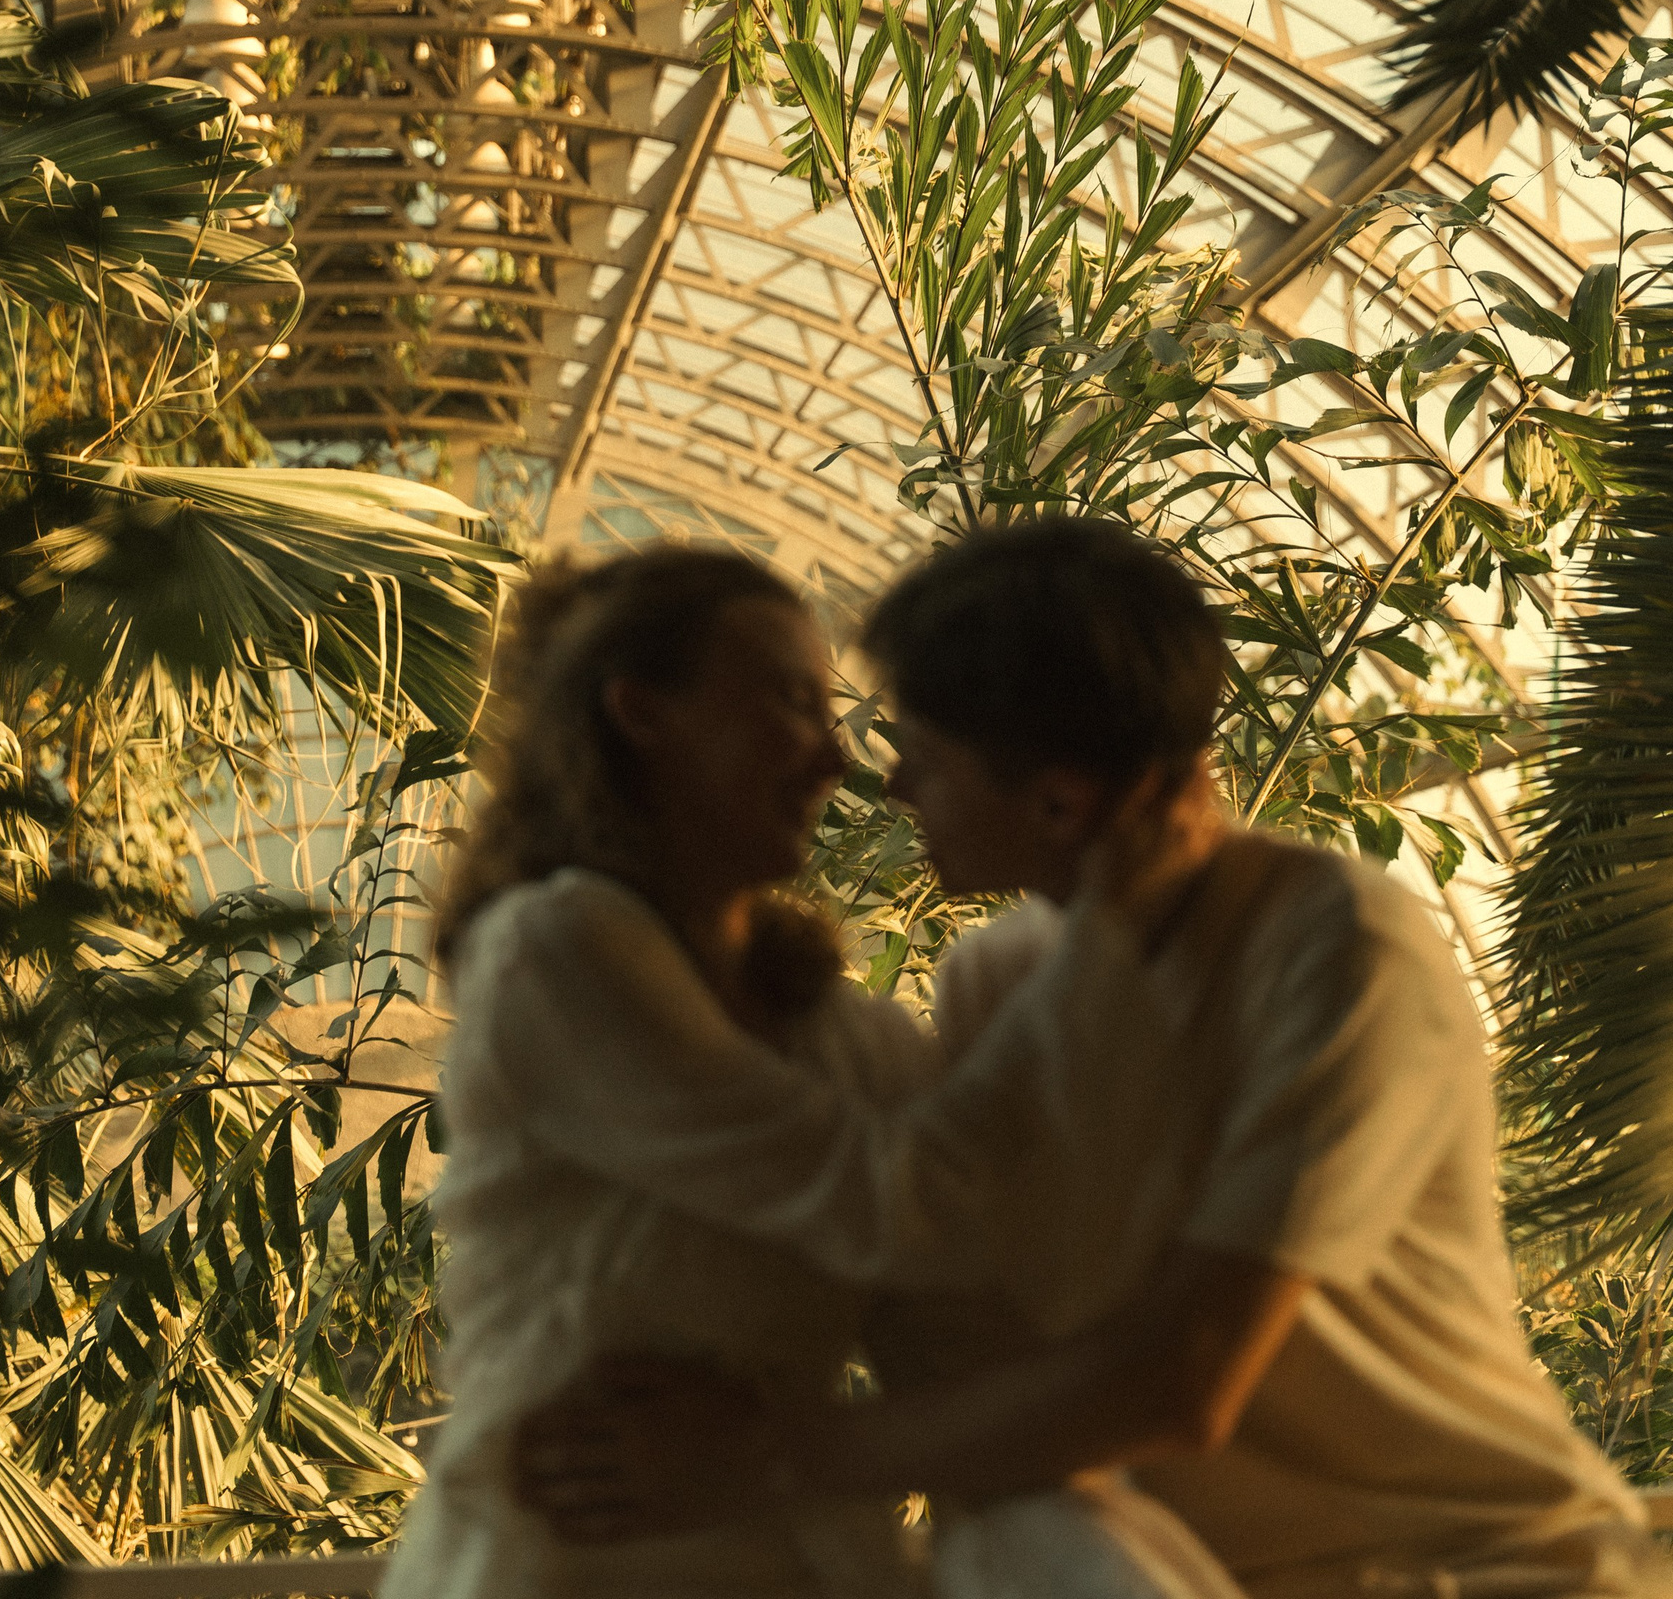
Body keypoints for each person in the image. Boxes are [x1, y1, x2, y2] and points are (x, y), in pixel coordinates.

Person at [517, 516, 1673, 1599]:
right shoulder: (997, 981)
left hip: (1478, 1571)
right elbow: (955, 1298)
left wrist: (764, 1457)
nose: (890, 782)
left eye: (924, 752)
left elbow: (1182, 1377)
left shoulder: (1336, 949)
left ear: (1059, 805)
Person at [383, 538, 1229, 1599]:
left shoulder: (847, 1038)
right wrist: (1104, 930)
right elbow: (881, 1200)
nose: (836, 760)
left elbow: (961, 1337)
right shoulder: (554, 951)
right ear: (641, 712)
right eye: (790, 702)